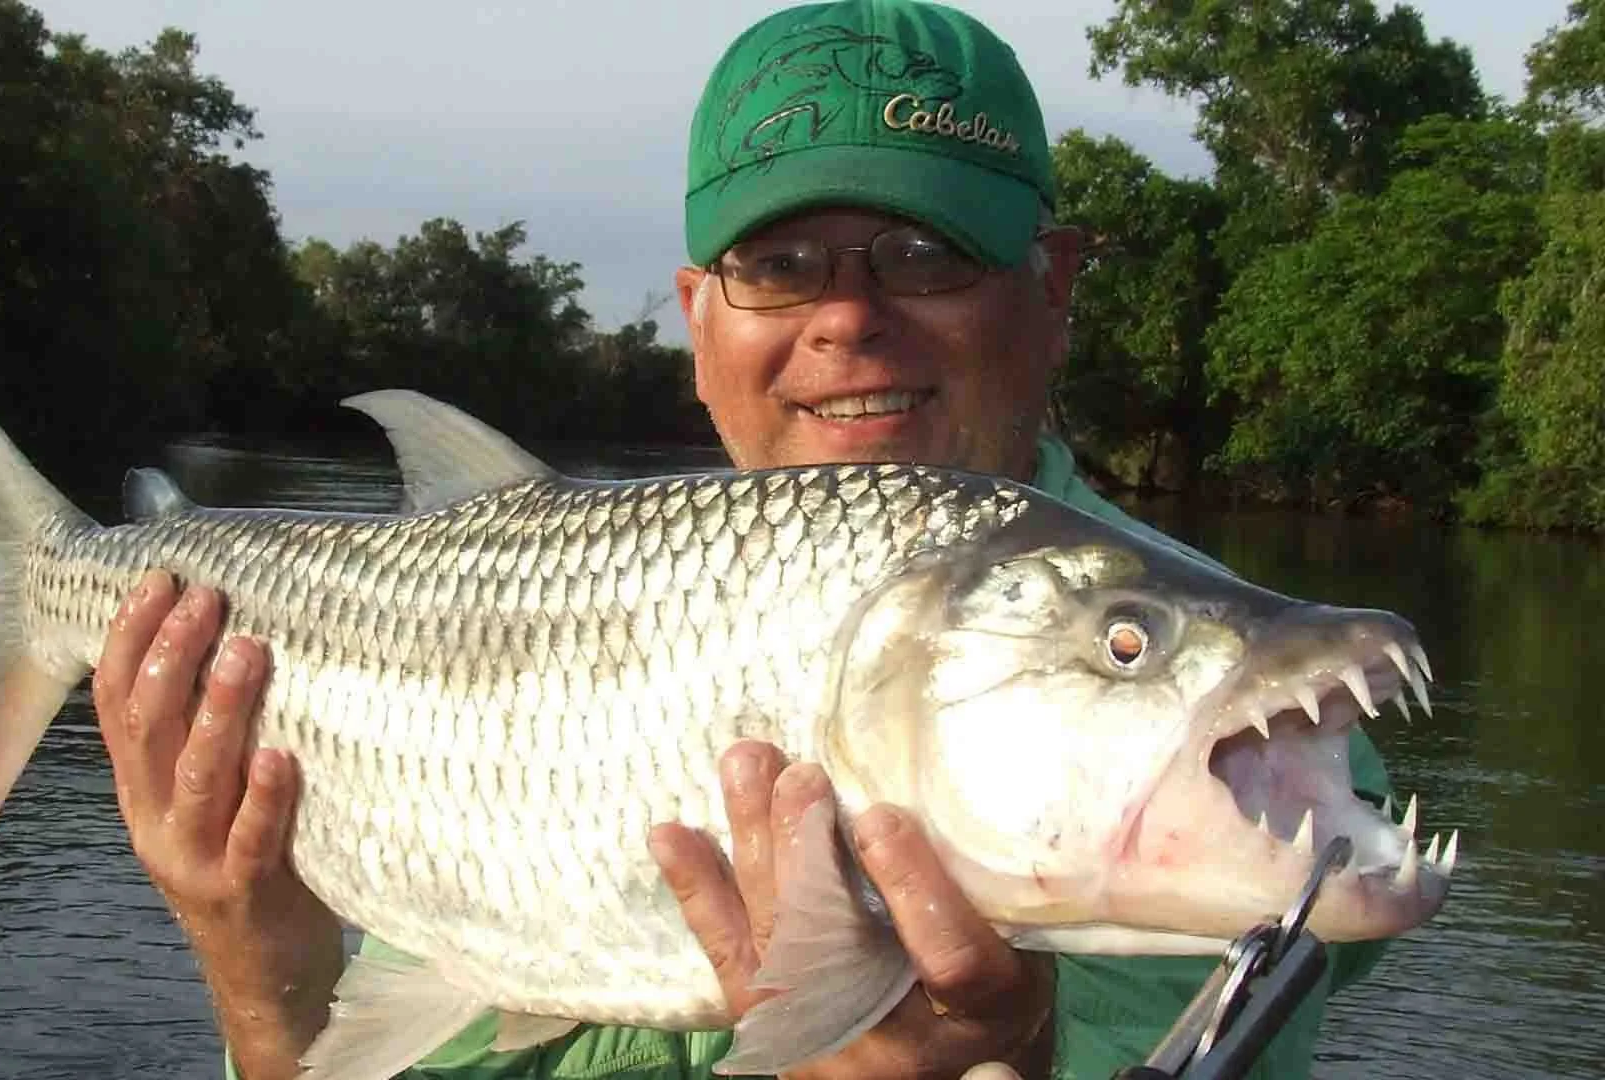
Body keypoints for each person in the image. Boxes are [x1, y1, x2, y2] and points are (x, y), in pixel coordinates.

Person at [88, 2, 1397, 1077]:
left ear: (1051, 289)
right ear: (698, 319)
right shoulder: (570, 599)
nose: (849, 319)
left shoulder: (1240, 764)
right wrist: (264, 984)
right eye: (780, 267)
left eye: (922, 252)